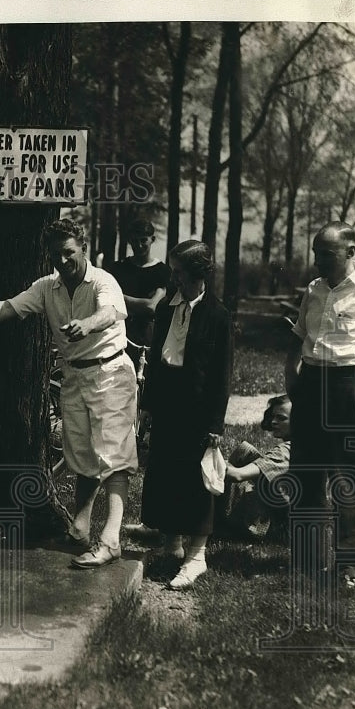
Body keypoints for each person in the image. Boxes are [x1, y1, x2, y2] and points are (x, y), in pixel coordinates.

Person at [0, 219, 138, 567]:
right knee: (81, 454)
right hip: (74, 375)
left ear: (83, 249)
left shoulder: (102, 281)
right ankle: (80, 528)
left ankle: (111, 539)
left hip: (110, 371)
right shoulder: (48, 287)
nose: (62, 261)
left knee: (114, 454)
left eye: (68, 253)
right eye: (55, 255)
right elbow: (8, 307)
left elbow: (110, 312)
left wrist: (87, 324)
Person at [285, 221, 355, 586]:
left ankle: (351, 567)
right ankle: (308, 561)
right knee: (305, 472)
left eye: (326, 254)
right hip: (311, 383)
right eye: (316, 253)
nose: (318, 261)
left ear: (351, 252)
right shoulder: (314, 289)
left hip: (349, 386)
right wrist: (291, 376)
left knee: (349, 477)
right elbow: (298, 336)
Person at [139, 240, 233, 589]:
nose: (173, 278)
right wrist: (148, 407)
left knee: (196, 481)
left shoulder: (218, 315)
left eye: (178, 272)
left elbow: (222, 375)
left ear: (196, 273)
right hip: (167, 402)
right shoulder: (166, 308)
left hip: (197, 408)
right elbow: (156, 360)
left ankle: (197, 556)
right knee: (164, 472)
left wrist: (215, 424)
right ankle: (172, 545)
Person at [219, 395, 292, 539]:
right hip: (280, 515)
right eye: (273, 417)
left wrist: (209, 459)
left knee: (241, 457)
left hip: (270, 525)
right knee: (246, 452)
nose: (273, 422)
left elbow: (236, 474)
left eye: (281, 418)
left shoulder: (286, 451)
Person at [107, 218, 171, 358]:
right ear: (130, 241)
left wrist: (120, 297)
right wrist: (141, 304)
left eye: (143, 240)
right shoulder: (118, 269)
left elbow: (151, 307)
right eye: (135, 241)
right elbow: (108, 302)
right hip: (120, 334)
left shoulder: (163, 272)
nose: (139, 245)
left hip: (149, 337)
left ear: (152, 239)